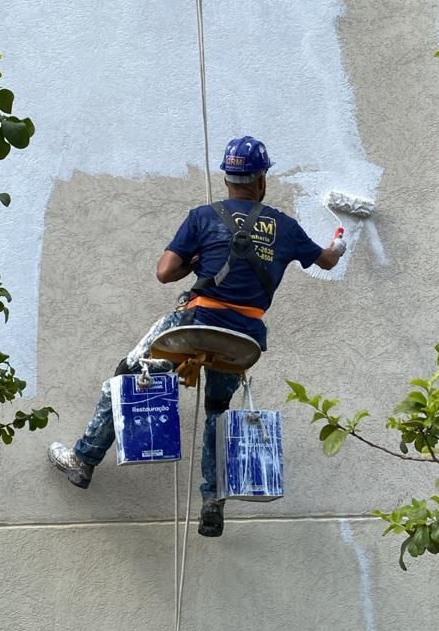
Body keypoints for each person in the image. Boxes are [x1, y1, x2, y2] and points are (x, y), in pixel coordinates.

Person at [48, 137, 346, 537]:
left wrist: (194, 262)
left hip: (195, 325)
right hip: (243, 339)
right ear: (261, 180)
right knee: (218, 410)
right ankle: (212, 501)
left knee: (128, 374)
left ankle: (84, 460)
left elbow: (164, 272)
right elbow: (325, 262)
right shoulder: (285, 227)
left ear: (227, 179)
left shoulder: (203, 217)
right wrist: (338, 244)